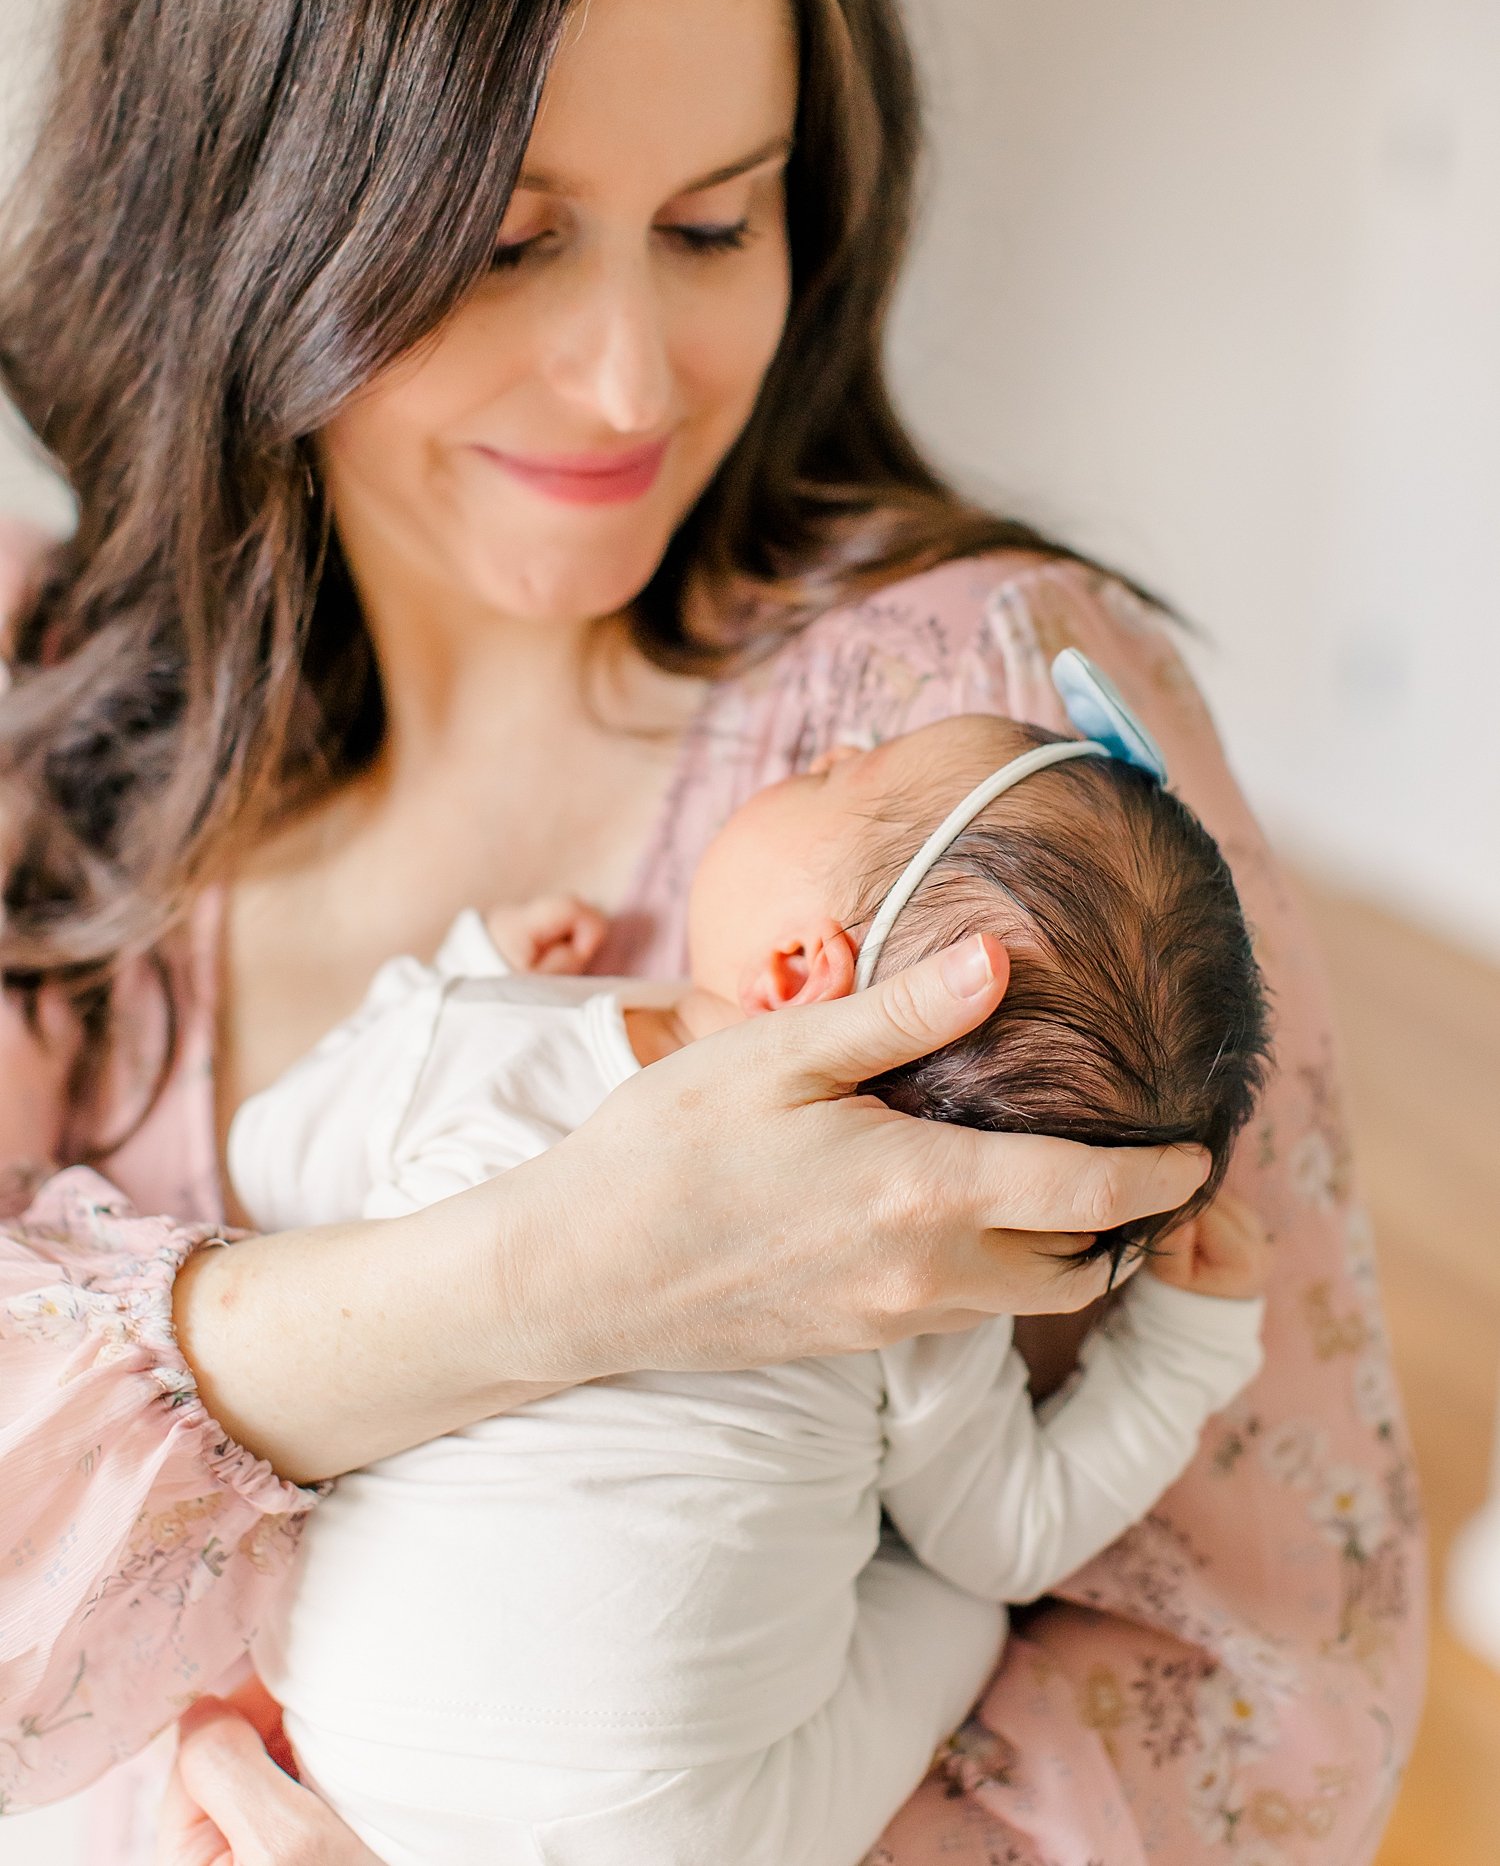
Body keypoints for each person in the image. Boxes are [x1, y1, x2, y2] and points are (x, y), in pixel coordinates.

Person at [0, 0, 1422, 1862]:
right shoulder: (39, 723)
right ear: (240, 214)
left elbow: (1261, 1677)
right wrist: (546, 1279)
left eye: (714, 223)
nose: (636, 385)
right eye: (498, 246)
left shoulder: (988, 740)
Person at [223, 695, 1272, 1864]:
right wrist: (1187, 1343)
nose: (826, 748)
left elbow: (271, 1162)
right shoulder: (917, 1269)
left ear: (792, 969)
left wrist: (449, 990)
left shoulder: (485, 1042)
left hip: (351, 1722)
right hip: (686, 1831)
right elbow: (1008, 1538)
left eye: (846, 770)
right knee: (955, 1598)